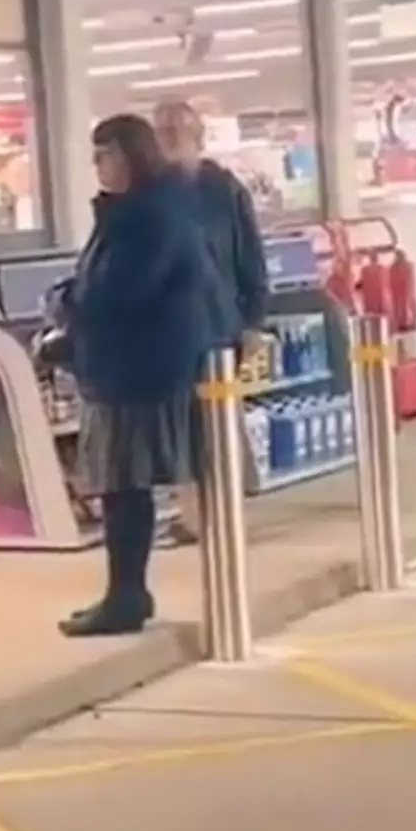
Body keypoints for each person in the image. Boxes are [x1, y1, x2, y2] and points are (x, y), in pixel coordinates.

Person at [58, 112, 213, 637]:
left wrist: (67, 309)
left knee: (124, 485)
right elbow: (97, 285)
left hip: (139, 372)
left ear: (132, 155)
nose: (99, 166)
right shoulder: (130, 214)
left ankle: (126, 595)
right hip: (124, 366)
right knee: (121, 485)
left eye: (107, 154)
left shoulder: (151, 217)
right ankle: (125, 591)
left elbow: (116, 293)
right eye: (95, 156)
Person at [153, 98, 270, 543]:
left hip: (219, 322)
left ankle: (223, 511)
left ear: (197, 137)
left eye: (175, 130)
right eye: (160, 130)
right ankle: (193, 516)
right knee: (181, 424)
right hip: (168, 328)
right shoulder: (149, 192)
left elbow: (250, 254)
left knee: (215, 419)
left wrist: (254, 319)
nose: (167, 138)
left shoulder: (223, 189)